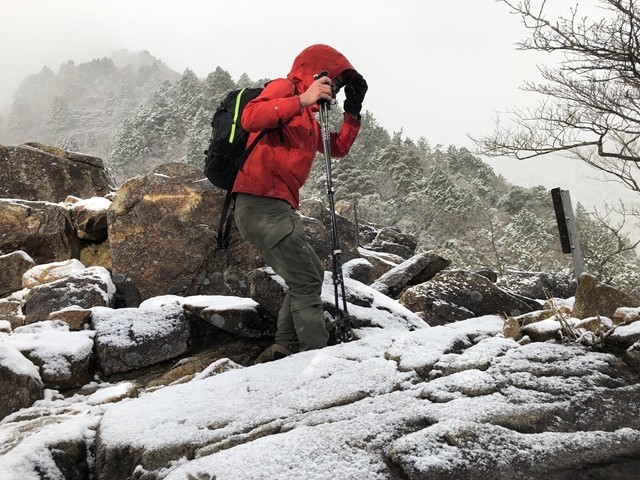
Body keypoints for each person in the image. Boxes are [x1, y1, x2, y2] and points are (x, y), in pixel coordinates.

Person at [232, 44, 368, 363]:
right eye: (333, 82)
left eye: (337, 87)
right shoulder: (285, 89)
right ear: (316, 72)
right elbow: (250, 116)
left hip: (277, 207)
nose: (333, 89)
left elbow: (337, 148)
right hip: (260, 202)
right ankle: (315, 357)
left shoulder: (306, 117)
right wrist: (303, 98)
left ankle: (284, 345)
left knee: (310, 273)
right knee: (306, 278)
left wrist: (353, 110)